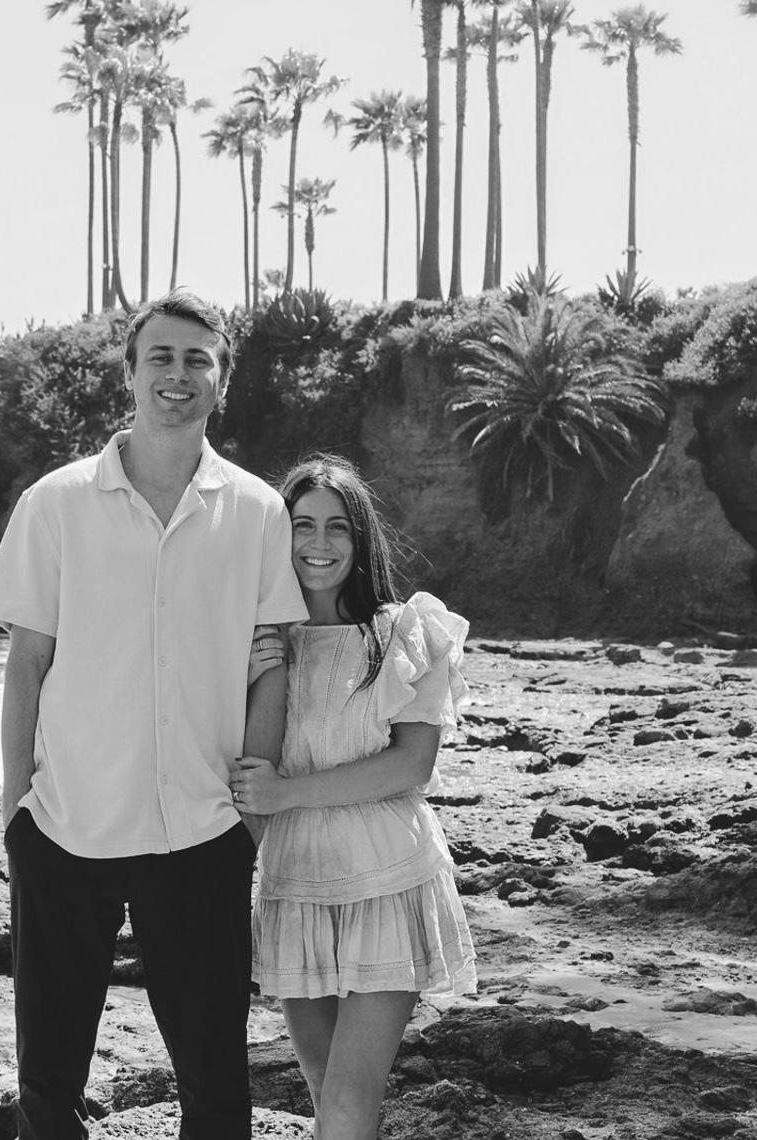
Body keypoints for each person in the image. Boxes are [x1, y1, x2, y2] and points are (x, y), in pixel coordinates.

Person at [0, 289, 309, 1140]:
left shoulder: (258, 511)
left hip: (203, 832)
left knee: (217, 1090)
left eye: (198, 359)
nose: (178, 374)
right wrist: (16, 812)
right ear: (128, 373)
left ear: (222, 380)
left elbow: (273, 663)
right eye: (160, 356)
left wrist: (250, 817)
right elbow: (27, 664)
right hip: (66, 829)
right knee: (48, 1089)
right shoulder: (55, 503)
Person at [230, 454, 477, 1140]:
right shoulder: (257, 641)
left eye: (337, 526)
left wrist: (287, 793)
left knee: (345, 1100)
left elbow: (412, 765)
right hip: (294, 884)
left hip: (386, 880)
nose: (319, 543)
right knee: (325, 1096)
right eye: (302, 525)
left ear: (360, 537)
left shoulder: (403, 632)